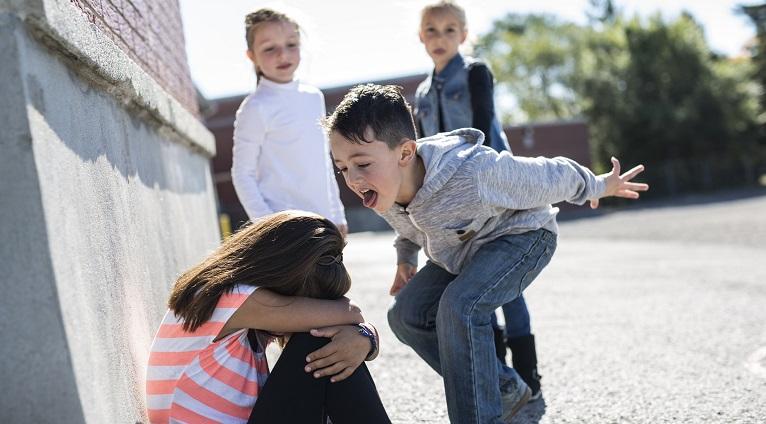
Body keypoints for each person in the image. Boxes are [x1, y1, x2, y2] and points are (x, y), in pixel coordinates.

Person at [324, 84, 648, 423]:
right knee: (405, 315)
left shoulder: (473, 173)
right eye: (342, 168)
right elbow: (407, 227)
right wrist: (406, 258)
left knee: (460, 306)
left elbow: (551, 174)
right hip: (462, 251)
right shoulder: (382, 187)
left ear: (405, 154)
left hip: (523, 238)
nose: (353, 179)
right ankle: (503, 387)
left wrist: (598, 186)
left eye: (361, 163)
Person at [145, 211, 391, 423]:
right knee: (318, 339)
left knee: (331, 343)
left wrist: (364, 337)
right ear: (283, 275)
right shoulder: (233, 297)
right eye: (305, 301)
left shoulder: (234, 300)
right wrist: (363, 333)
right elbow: (352, 313)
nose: (305, 309)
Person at [413, 0, 541, 400]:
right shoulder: (420, 92)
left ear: (464, 35)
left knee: (508, 287)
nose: (441, 38)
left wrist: (490, 186)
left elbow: (484, 128)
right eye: (432, 30)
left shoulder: (475, 73)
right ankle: (502, 381)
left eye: (450, 30)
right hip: (450, 203)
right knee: (473, 285)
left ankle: (529, 378)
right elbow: (422, 150)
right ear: (421, 36)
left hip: (492, 192)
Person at [231, 8, 347, 235]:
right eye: (269, 48)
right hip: (285, 230)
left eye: (291, 45)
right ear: (252, 56)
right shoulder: (255, 107)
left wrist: (337, 214)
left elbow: (323, 162)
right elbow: (242, 173)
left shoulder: (314, 97)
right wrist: (267, 225)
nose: (283, 55)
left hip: (324, 223)